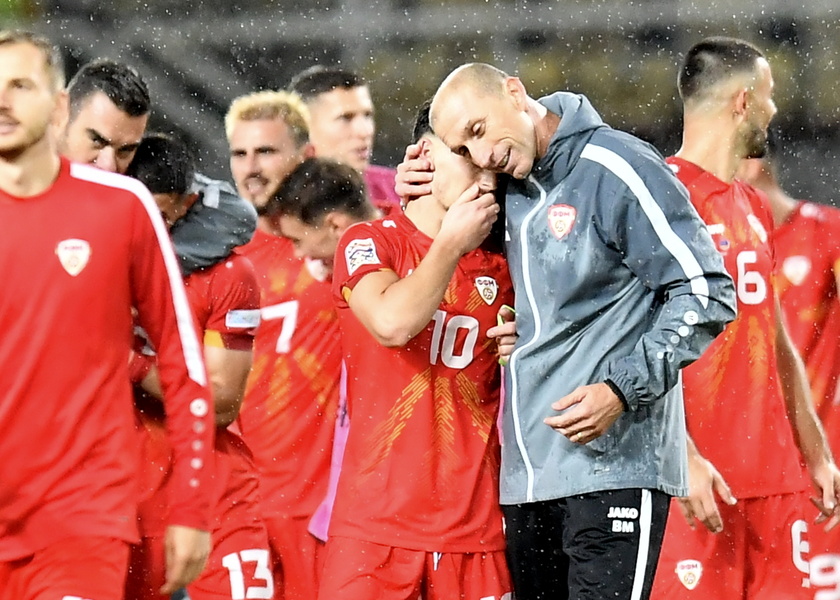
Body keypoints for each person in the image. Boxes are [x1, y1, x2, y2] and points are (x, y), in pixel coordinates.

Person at [426, 62, 737, 600]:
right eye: (463, 150)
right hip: (529, 479)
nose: (481, 157)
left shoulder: (615, 166)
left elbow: (707, 291)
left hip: (613, 468)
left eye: (477, 131)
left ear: (515, 92)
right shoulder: (511, 191)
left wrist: (622, 390)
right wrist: (422, 194)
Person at [0, 30, 213, 599]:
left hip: (80, 516)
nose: (110, 163)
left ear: (55, 101)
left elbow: (184, 362)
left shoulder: (127, 208)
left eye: (21, 85)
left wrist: (192, 501)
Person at [648, 37, 840, 599]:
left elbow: (777, 338)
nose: (775, 110)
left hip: (778, 485)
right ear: (743, 101)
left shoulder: (751, 206)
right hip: (700, 486)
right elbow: (628, 342)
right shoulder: (656, 198)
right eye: (770, 95)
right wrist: (681, 456)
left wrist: (817, 454)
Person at [124, 133, 272, 600]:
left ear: (188, 203)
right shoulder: (85, 260)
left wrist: (127, 362)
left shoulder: (229, 275)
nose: (150, 228)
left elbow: (222, 404)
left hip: (213, 496)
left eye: (162, 215)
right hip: (118, 498)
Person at [225, 90, 337, 600]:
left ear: (306, 157)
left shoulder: (343, 245)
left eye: (266, 151)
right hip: (239, 511)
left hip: (326, 513)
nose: (251, 168)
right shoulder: (214, 259)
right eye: (239, 154)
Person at [738, 143, 840, 598]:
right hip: (754, 459)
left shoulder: (829, 234)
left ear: (754, 165)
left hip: (823, 455)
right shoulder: (727, 248)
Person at [60, 58, 255, 275]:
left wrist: (134, 261)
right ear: (60, 114)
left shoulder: (136, 177)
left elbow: (236, 215)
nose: (109, 165)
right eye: (97, 141)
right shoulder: (18, 175)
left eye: (125, 150)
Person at [288, 65, 402, 216]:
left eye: (367, 115)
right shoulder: (276, 204)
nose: (365, 131)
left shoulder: (400, 190)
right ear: (305, 128)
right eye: (345, 118)